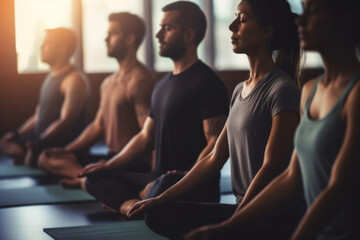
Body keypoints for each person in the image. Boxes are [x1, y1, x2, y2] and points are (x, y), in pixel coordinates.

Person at [141, 0, 360, 239]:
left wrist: (232, 224)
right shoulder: (247, 90)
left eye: (243, 20)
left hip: (275, 216)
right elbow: (215, 157)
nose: (232, 26)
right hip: (243, 207)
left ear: (267, 31)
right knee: (158, 211)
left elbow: (274, 168)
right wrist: (161, 197)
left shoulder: (283, 89)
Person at [79, 1, 229, 216]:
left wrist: (186, 177)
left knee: (163, 185)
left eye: (167, 29)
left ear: (189, 35)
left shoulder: (207, 83)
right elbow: (145, 137)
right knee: (95, 177)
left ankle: (142, 202)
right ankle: (136, 205)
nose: (158, 35)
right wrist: (108, 166)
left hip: (187, 185)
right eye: (160, 28)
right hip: (156, 178)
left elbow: (214, 144)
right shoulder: (161, 85)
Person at [38, 12, 156, 188]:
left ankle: (96, 182)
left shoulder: (140, 81)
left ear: (130, 39)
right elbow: (98, 126)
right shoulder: (108, 82)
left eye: (112, 34)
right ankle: (89, 180)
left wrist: (152, 180)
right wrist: (66, 150)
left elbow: (149, 136)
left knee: (107, 175)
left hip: (131, 163)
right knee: (47, 158)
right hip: (109, 158)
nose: (106, 39)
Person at [0, 28, 90, 167]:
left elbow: (65, 121)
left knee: (45, 159)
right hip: (39, 139)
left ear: (62, 49)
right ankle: (31, 157)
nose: (41, 47)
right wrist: (16, 134)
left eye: (48, 43)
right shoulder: (50, 77)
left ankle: (35, 157)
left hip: (58, 142)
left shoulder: (74, 79)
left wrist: (40, 142)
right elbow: (38, 115)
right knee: (5, 143)